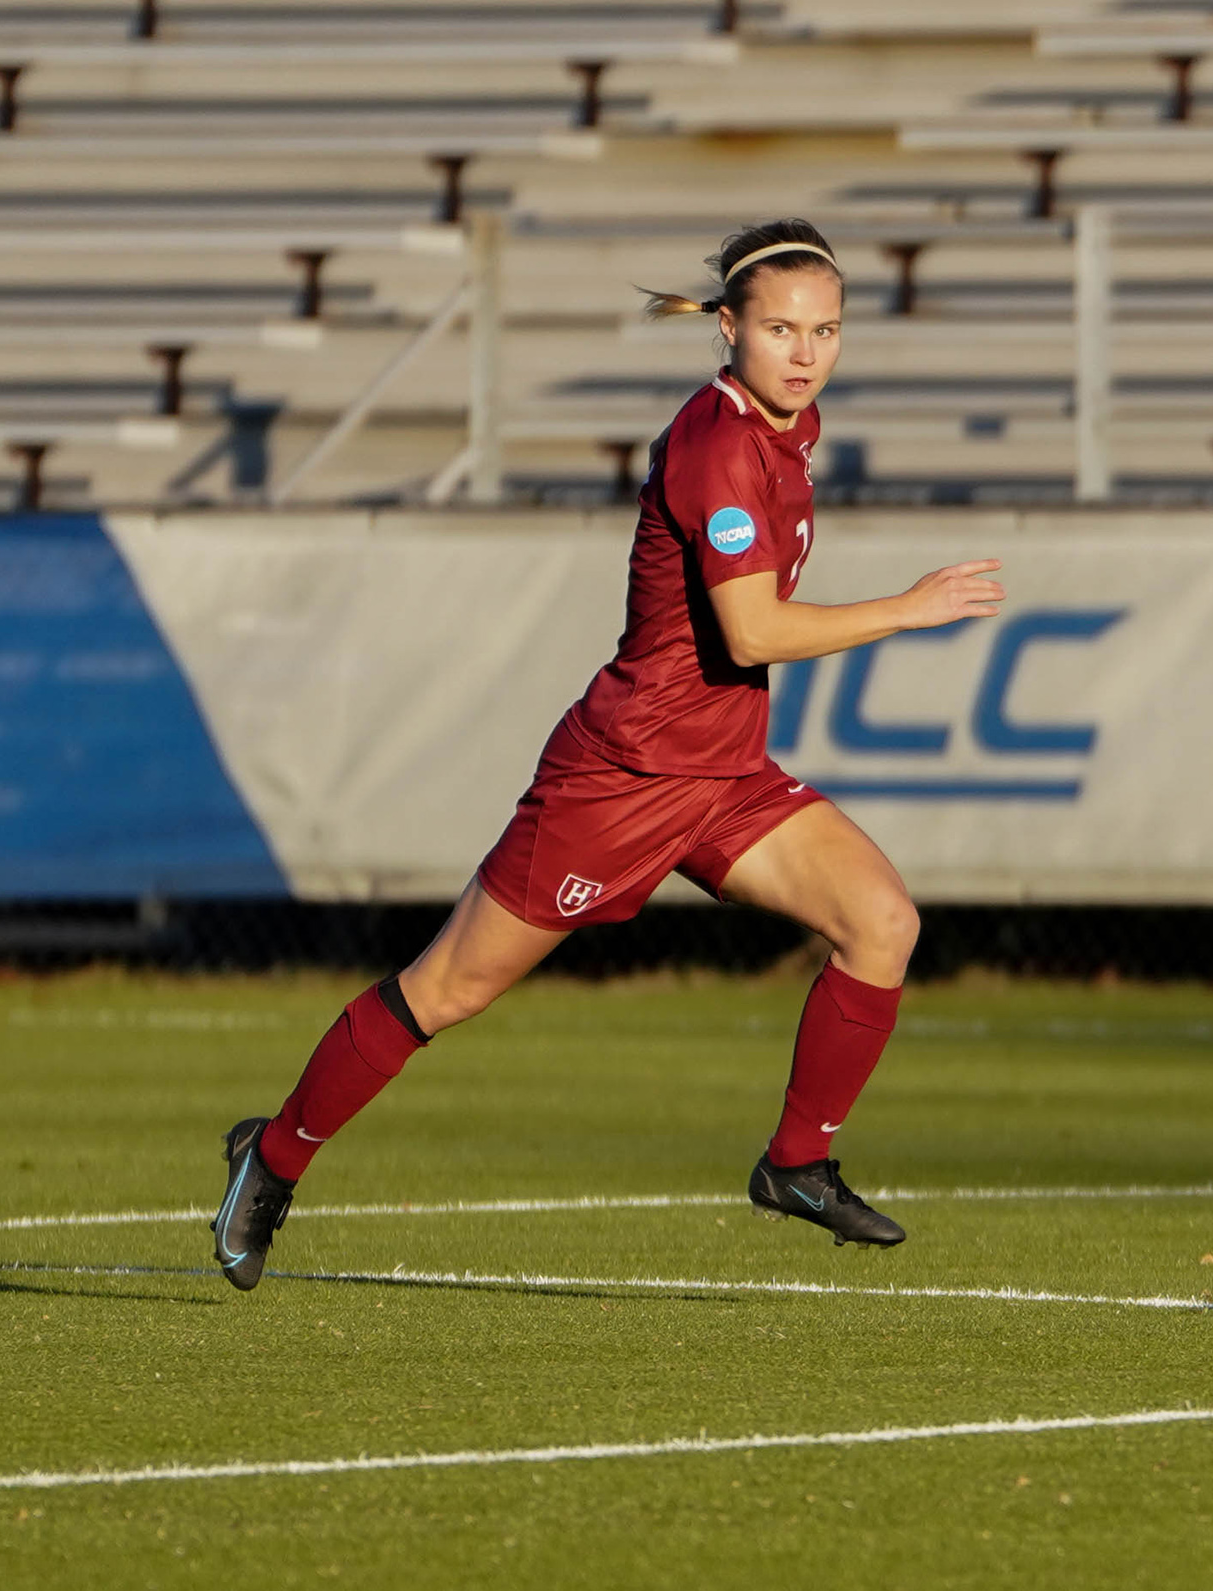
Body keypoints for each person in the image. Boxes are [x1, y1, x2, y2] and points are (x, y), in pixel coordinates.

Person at [210, 218, 1005, 1291]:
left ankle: (798, 1161)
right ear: (727, 330)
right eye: (780, 328)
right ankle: (274, 1156)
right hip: (622, 779)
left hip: (722, 774)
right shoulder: (718, 445)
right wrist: (906, 610)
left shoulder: (785, 429)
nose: (806, 351)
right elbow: (752, 633)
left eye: (824, 329)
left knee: (882, 921)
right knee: (441, 992)